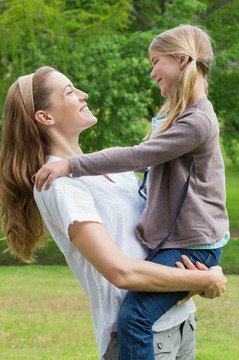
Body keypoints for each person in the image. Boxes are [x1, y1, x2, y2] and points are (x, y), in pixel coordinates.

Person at [0, 66, 226, 360]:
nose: (84, 95)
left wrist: (196, 280)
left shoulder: (113, 171)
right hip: (139, 337)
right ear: (46, 117)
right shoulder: (58, 185)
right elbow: (121, 271)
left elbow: (155, 246)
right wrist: (206, 279)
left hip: (180, 325)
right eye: (70, 92)